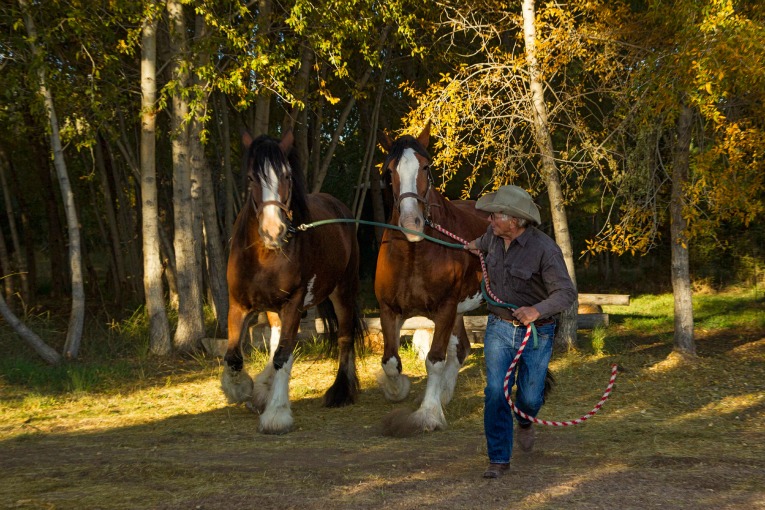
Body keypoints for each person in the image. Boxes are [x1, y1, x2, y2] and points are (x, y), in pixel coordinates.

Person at [463, 185, 577, 479]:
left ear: (514, 221)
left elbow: (566, 293)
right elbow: (483, 242)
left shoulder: (544, 250)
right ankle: (498, 458)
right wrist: (471, 245)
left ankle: (525, 420)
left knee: (529, 397)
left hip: (537, 333)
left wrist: (535, 310)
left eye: (494, 216)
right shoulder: (493, 236)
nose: (489, 220)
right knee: (495, 392)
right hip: (499, 328)